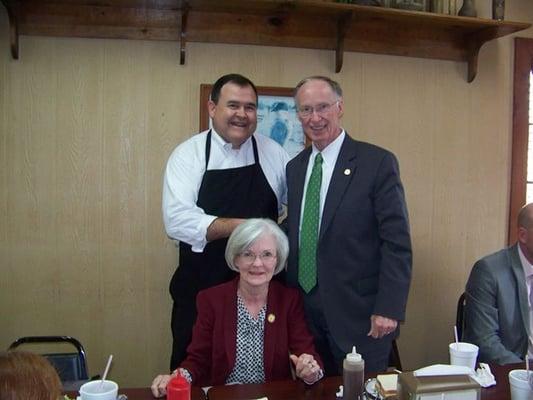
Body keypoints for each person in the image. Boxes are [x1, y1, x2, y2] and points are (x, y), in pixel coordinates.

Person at [284, 76, 412, 374]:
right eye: (305, 110)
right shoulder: (296, 167)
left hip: (361, 316)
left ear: (340, 107)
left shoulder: (376, 162)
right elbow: (302, 226)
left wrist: (389, 308)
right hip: (305, 314)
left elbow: (396, 242)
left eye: (323, 107)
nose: (315, 118)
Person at [162, 74, 290, 370]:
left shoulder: (274, 153)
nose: (242, 115)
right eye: (233, 105)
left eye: (250, 107)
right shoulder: (188, 155)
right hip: (201, 287)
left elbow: (295, 208)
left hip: (262, 292)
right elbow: (177, 220)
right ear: (212, 108)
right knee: (193, 371)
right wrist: (250, 228)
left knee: (264, 372)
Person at [151, 219, 323, 396]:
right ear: (236, 258)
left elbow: (306, 353)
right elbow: (197, 360)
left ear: (277, 260)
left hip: (271, 395)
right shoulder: (212, 300)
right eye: (248, 254)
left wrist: (310, 371)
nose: (257, 263)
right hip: (224, 395)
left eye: (267, 254)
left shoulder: (288, 300)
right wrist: (177, 377)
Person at [463, 203, 533, 364]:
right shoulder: (489, 271)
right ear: (523, 235)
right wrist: (525, 375)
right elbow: (485, 340)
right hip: (510, 373)